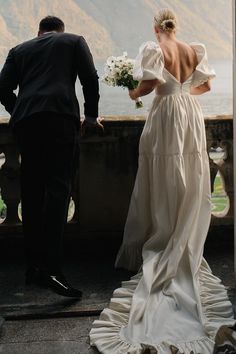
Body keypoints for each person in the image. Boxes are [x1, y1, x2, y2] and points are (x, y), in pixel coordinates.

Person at [90, 8, 235, 353]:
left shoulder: (154, 48)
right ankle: (180, 234)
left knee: (163, 173)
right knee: (187, 174)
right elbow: (207, 85)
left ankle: (164, 234)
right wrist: (181, 92)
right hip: (188, 114)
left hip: (167, 116)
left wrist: (135, 93)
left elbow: (151, 82)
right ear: (175, 26)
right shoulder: (192, 49)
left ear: (156, 28)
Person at [0, 16, 103, 298]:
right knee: (58, 190)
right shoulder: (73, 41)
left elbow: (2, 88)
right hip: (60, 119)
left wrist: (19, 109)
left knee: (31, 193)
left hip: (27, 125)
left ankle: (33, 267)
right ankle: (52, 269)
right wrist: (91, 115)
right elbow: (89, 78)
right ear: (60, 31)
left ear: (39, 32)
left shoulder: (19, 50)